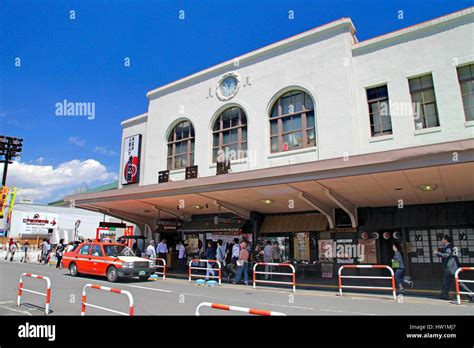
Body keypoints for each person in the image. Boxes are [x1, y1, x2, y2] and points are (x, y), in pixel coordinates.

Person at [435, 235, 460, 300]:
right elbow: (446, 252)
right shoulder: (448, 246)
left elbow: (447, 255)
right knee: (446, 282)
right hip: (450, 267)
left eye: (442, 239)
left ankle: (471, 295)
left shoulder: (449, 246)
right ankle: (444, 296)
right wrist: (440, 250)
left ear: (446, 240)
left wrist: (437, 253)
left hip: (450, 267)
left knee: (457, 283)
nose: (441, 240)